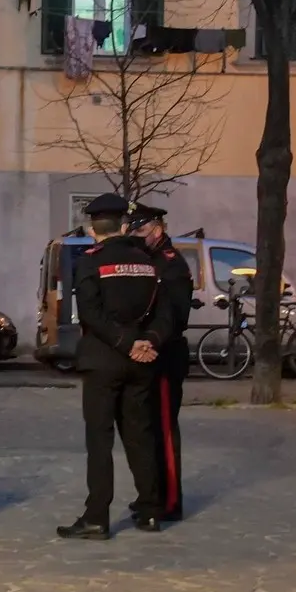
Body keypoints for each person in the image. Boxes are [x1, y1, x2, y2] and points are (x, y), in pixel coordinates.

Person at [57, 193, 173, 541]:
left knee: (100, 440)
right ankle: (150, 512)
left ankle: (96, 518)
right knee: (140, 436)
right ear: (125, 225)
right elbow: (164, 313)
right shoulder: (149, 261)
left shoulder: (90, 262)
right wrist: (146, 341)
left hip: (103, 360)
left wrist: (124, 343)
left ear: (94, 230)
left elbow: (91, 314)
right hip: (142, 362)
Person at [126, 202, 192, 522]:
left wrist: (151, 341)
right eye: (132, 231)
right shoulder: (148, 261)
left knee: (164, 429)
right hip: (149, 354)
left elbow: (176, 316)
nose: (136, 236)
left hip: (165, 355)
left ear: (157, 229)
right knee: (147, 428)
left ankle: (169, 501)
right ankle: (151, 494)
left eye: (140, 230)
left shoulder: (171, 264)